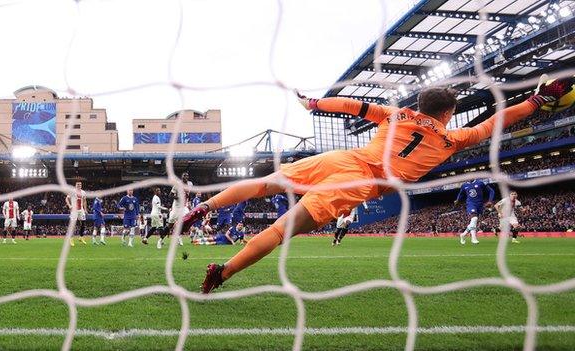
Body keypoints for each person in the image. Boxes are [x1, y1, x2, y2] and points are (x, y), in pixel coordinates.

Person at [179, 78, 574, 293]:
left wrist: (312, 104)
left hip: (343, 158)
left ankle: (203, 208)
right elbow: (497, 122)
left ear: (419, 104)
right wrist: (537, 102)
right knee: (283, 230)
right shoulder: (453, 139)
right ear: (449, 113)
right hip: (360, 180)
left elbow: (353, 106)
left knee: (266, 184)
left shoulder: (395, 113)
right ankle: (223, 273)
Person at [454, 179, 494, 245]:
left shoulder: (480, 182)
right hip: (470, 204)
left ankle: (463, 234)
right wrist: (457, 200)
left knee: (474, 221)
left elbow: (491, 191)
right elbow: (460, 194)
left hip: (480, 204)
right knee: (474, 218)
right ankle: (474, 238)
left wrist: (490, 200)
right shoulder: (464, 185)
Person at [65, 181, 88, 246]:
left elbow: (84, 201)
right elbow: (67, 199)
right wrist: (69, 205)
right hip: (74, 210)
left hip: (81, 210)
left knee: (83, 223)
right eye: (78, 184)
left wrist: (85, 209)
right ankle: (71, 239)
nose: (79, 185)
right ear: (75, 185)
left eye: (80, 184)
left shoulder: (83, 192)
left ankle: (81, 237)